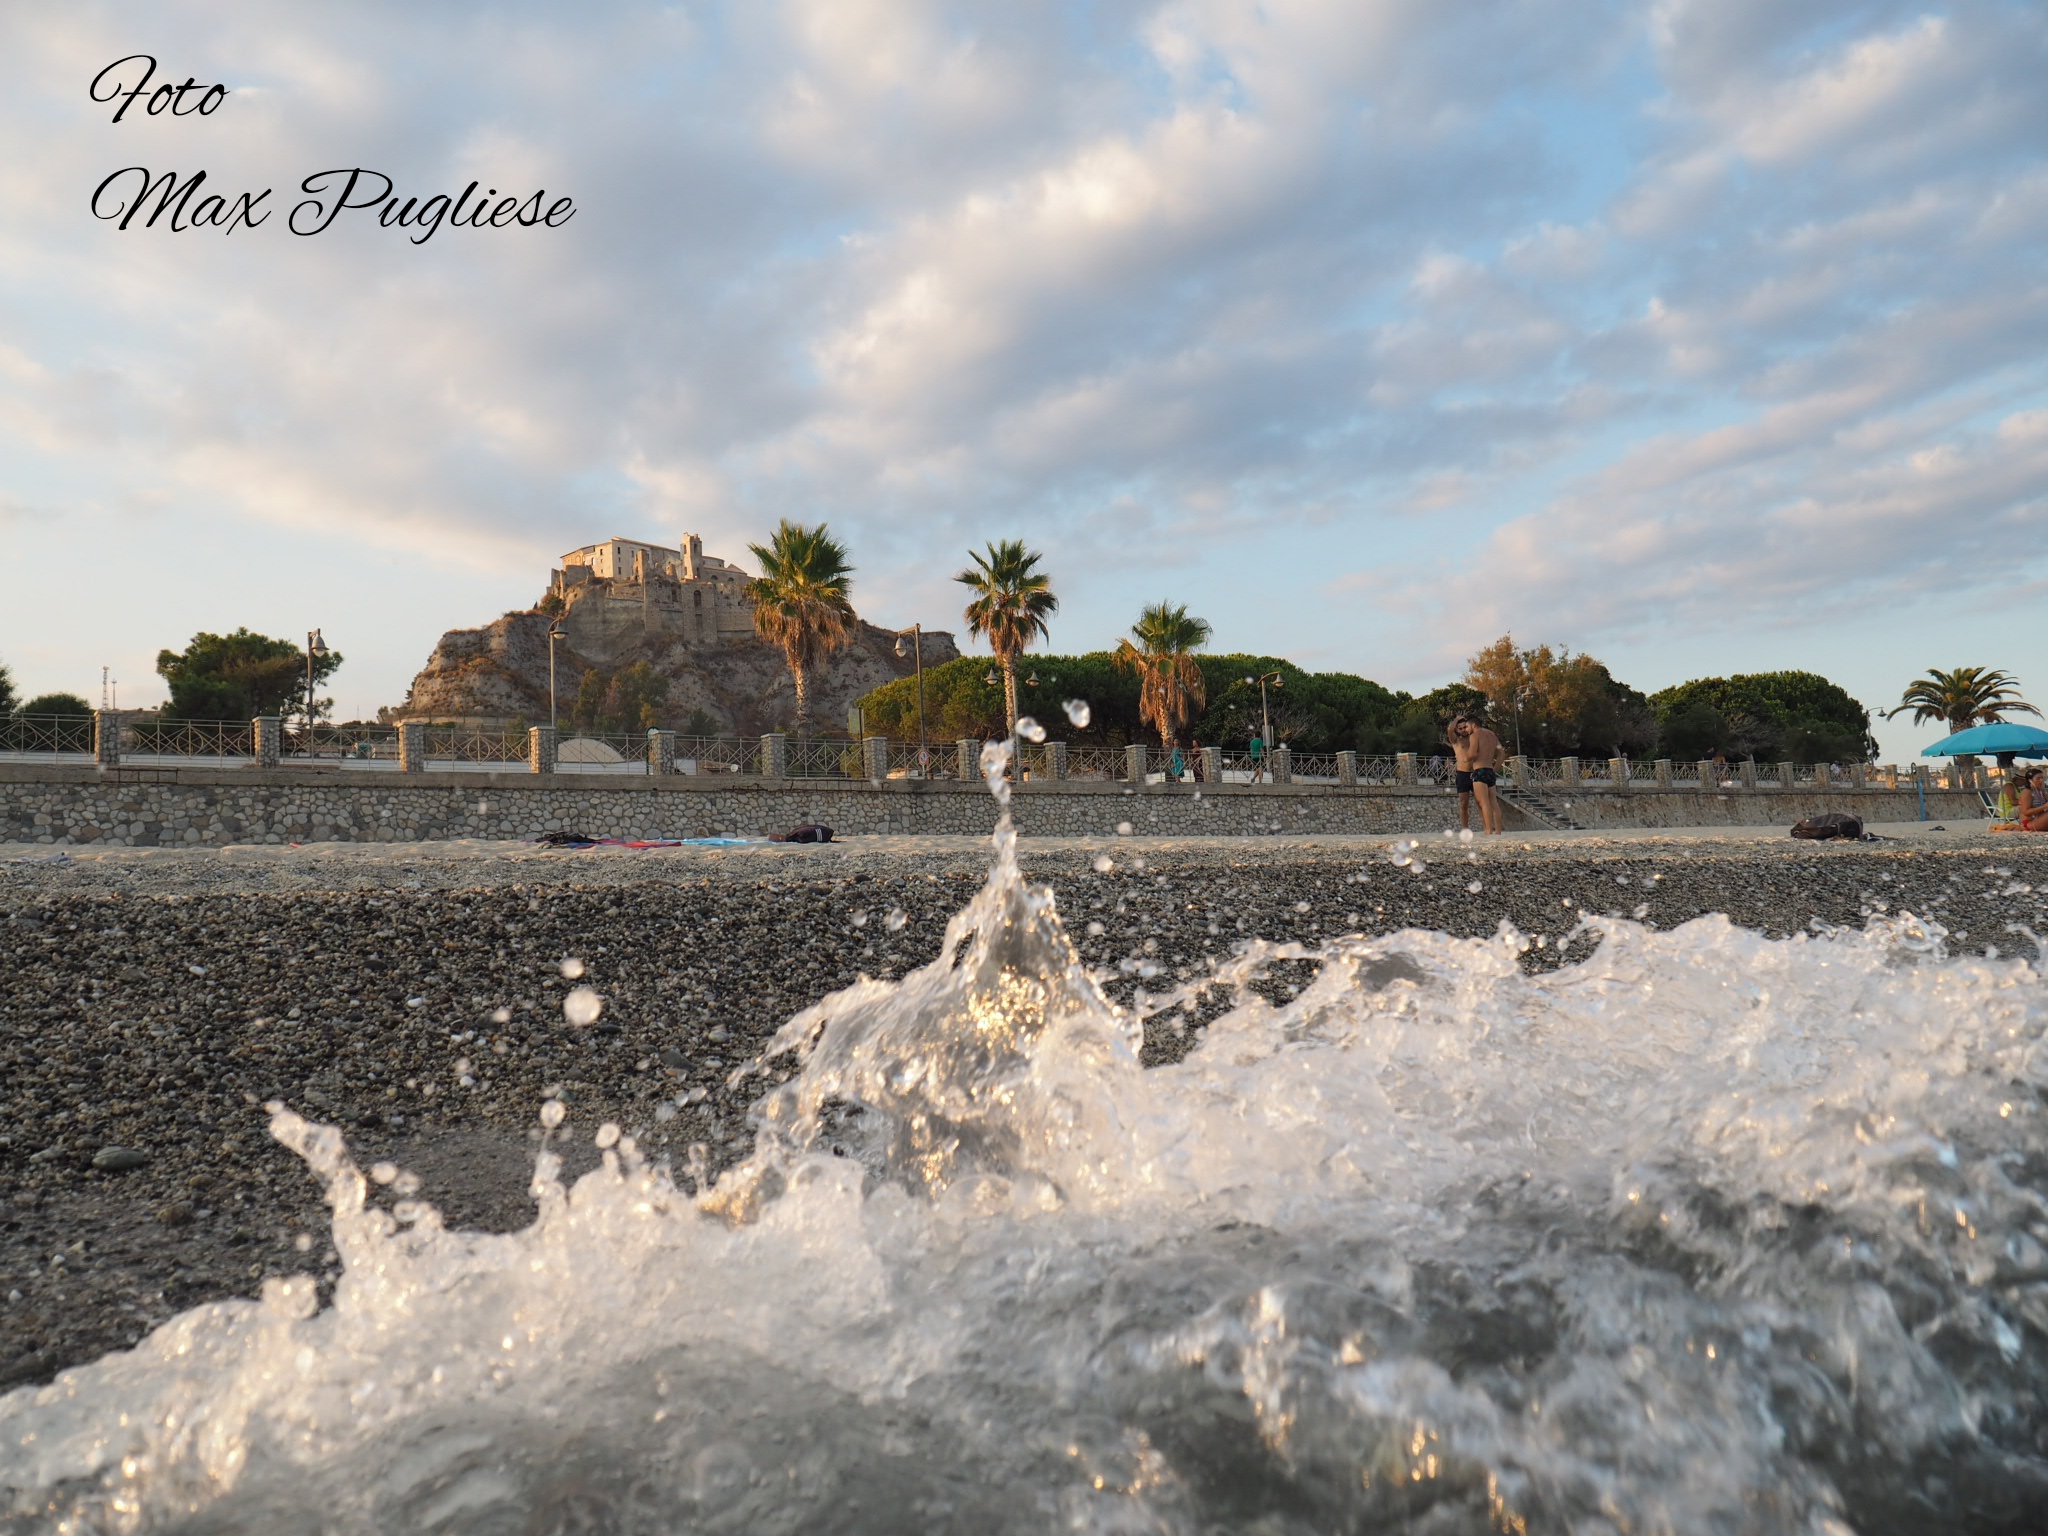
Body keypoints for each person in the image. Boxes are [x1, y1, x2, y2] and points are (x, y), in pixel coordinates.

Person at [1450, 716, 1507, 834]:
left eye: (1466, 726)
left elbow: (1472, 753)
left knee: (1482, 802)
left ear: (1472, 725)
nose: (1464, 729)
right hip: (1467, 773)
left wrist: (1467, 758)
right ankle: (1496, 831)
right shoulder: (1490, 734)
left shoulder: (1474, 735)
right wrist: (1495, 769)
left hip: (1478, 771)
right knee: (1489, 802)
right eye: (1460, 728)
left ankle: (1488, 829)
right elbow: (1501, 753)